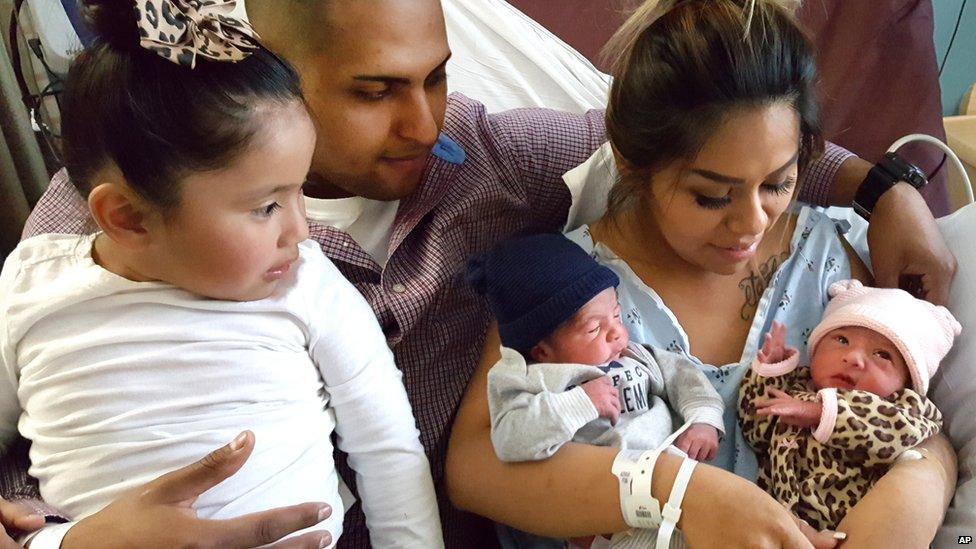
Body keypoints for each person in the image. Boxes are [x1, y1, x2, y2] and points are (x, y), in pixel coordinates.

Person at [2, 0, 957, 546]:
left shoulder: (483, 158)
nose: (422, 122)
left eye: (437, 76)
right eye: (377, 92)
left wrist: (890, 185)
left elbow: (704, 138)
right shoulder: (121, 214)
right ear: (270, 77)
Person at [446, 1, 958, 548]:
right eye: (711, 196)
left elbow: (915, 424)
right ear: (632, 163)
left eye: (779, 184)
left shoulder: (828, 261)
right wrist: (681, 493)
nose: (752, 223)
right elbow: (474, 467)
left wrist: (923, 476)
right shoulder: (565, 284)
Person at [0, 1, 440, 548]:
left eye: (299, 190)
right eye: (266, 207)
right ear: (129, 218)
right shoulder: (33, 286)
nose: (302, 230)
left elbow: (390, 450)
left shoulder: (308, 283)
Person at [471, 232, 723, 548]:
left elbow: (683, 376)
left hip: (683, 487)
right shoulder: (533, 379)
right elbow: (509, 439)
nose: (617, 332)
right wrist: (580, 402)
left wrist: (703, 420)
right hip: (614, 518)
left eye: (616, 315)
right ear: (543, 350)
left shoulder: (634, 354)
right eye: (594, 329)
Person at [740, 283, 959, 531]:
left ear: (906, 380)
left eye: (882, 355)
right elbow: (754, 433)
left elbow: (898, 432)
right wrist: (770, 373)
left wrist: (821, 413)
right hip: (773, 521)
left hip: (847, 529)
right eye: (842, 340)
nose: (854, 358)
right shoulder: (796, 386)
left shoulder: (905, 407)